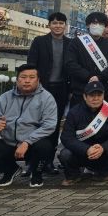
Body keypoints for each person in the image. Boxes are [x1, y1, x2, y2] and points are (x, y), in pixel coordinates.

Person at [0, 64, 58, 188]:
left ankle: (36, 174)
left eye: (31, 77)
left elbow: (49, 125)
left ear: (38, 80)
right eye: (23, 77)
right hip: (9, 142)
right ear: (17, 80)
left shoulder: (47, 98)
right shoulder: (5, 97)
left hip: (33, 144)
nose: (27, 81)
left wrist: (27, 142)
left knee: (45, 147)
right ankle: (11, 170)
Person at [26, 11, 70, 174]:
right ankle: (31, 163)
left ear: (65, 26)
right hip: (41, 89)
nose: (58, 26)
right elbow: (31, 64)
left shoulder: (71, 43)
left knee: (54, 125)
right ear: (49, 25)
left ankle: (48, 162)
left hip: (61, 90)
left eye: (61, 23)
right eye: (54, 23)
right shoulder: (39, 41)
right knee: (35, 124)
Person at [59, 81, 108, 185]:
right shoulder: (74, 112)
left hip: (103, 153)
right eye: (92, 95)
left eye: (99, 95)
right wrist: (86, 149)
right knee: (65, 154)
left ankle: (104, 174)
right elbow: (66, 138)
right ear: (85, 97)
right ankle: (73, 176)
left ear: (103, 96)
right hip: (82, 153)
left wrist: (103, 147)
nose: (96, 98)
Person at [65, 12, 108, 108]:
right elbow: (70, 63)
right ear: (88, 25)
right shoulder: (76, 42)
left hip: (103, 93)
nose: (98, 26)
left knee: (103, 117)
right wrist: (88, 77)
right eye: (95, 23)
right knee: (78, 117)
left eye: (101, 24)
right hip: (81, 92)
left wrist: (100, 77)